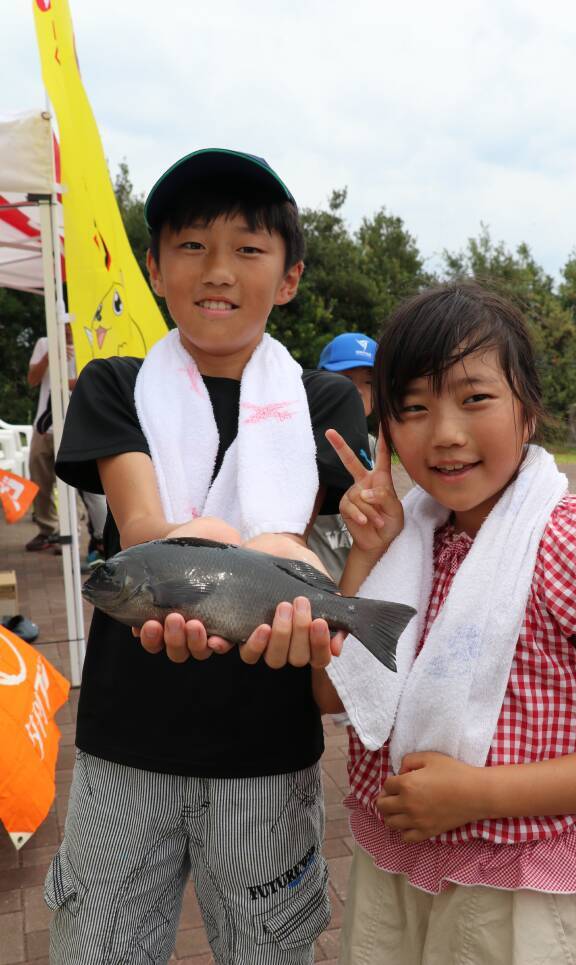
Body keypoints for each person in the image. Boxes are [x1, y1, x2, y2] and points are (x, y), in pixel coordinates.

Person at [48, 148, 368, 965]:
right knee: (101, 947)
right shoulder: (114, 384)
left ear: (289, 276)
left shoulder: (324, 399)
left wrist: (298, 571)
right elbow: (144, 522)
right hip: (125, 748)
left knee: (266, 949)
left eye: (249, 249)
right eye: (190, 245)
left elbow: (312, 548)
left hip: (267, 752)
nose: (218, 270)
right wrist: (222, 546)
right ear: (154, 268)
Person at [316, 282, 576, 965]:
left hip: (519, 887)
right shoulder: (409, 543)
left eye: (474, 397)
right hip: (395, 866)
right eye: (413, 406)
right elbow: (331, 693)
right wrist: (368, 555)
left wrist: (478, 793)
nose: (445, 433)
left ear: (528, 406)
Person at [307, 332, 377, 581]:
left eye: (369, 382)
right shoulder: (304, 443)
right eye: (346, 378)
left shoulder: (377, 448)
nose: (357, 390)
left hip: (358, 587)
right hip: (310, 584)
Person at [24, 325, 75, 550]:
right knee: (39, 480)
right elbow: (32, 379)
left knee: (74, 483)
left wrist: (63, 384)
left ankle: (72, 533)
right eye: (61, 324)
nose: (66, 329)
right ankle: (47, 530)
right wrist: (50, 355)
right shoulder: (44, 343)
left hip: (75, 426)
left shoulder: (90, 339)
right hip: (44, 427)